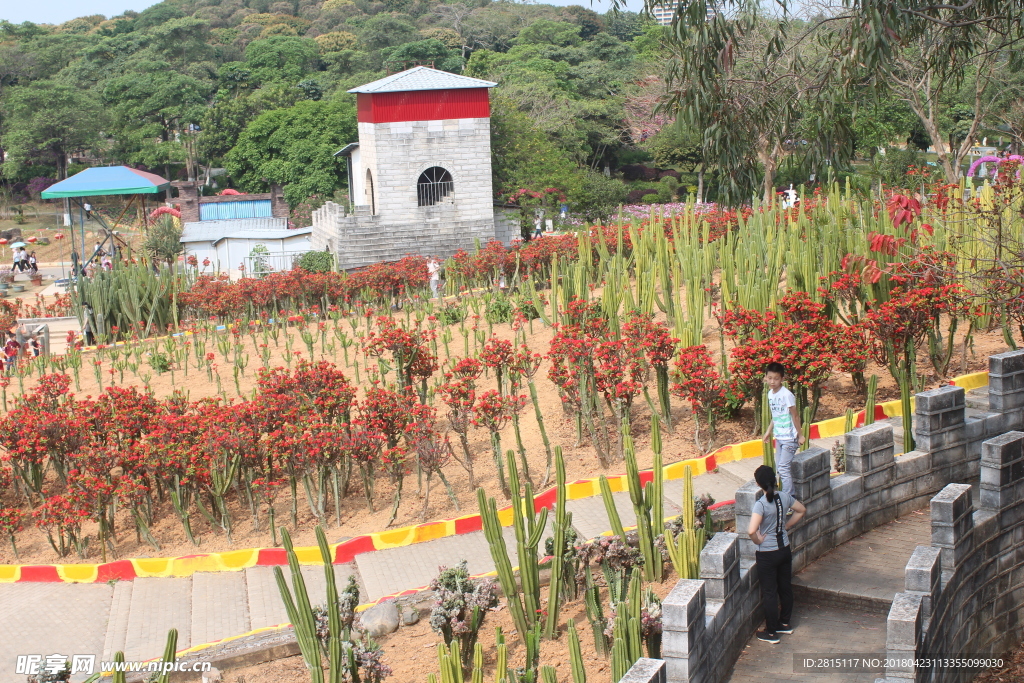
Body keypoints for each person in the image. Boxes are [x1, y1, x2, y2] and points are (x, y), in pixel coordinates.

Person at [749, 464, 805, 644]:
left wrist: (758, 540)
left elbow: (751, 531)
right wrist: (786, 526)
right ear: (774, 479)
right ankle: (785, 623)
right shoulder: (784, 497)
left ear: (759, 485)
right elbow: (802, 510)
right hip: (784, 550)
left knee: (770, 592)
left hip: (768, 554)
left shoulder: (762, 504)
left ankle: (771, 632)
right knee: (785, 587)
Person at [762, 362, 803, 496]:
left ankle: (789, 498)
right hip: (779, 436)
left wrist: (800, 435)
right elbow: (776, 415)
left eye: (776, 378)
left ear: (782, 379)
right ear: (766, 377)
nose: (772, 381)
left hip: (790, 438)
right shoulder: (770, 394)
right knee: (780, 468)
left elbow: (795, 415)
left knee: (783, 468)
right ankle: (787, 496)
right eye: (770, 378)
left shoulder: (787, 395)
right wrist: (768, 432)